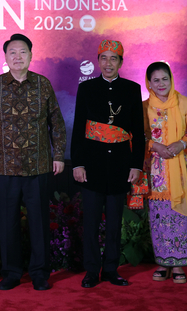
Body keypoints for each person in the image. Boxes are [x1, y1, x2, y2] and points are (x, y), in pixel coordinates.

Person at [0, 34, 66, 291]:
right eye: (12, 52)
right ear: (5, 57)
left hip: (39, 166)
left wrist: (58, 155)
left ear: (31, 55)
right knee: (8, 224)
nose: (17, 57)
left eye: (22, 52)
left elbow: (56, 124)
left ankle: (39, 273)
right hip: (4, 167)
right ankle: (11, 272)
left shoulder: (42, 85)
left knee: (38, 222)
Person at [71, 40, 145, 288]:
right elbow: (79, 126)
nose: (108, 62)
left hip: (121, 166)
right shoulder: (87, 88)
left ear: (121, 62)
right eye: (104, 57)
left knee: (114, 223)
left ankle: (111, 269)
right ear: (98, 61)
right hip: (91, 164)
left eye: (114, 58)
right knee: (90, 223)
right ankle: (92, 271)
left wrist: (136, 165)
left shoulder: (132, 89)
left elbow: (138, 131)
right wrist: (77, 163)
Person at [142, 61, 187, 284]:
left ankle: (178, 264)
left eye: (164, 79)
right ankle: (162, 262)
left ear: (171, 79)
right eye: (155, 80)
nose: (160, 84)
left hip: (180, 171)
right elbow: (141, 135)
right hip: (156, 174)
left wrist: (182, 143)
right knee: (159, 219)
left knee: (179, 218)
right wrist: (154, 146)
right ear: (148, 83)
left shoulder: (184, 103)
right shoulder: (144, 107)